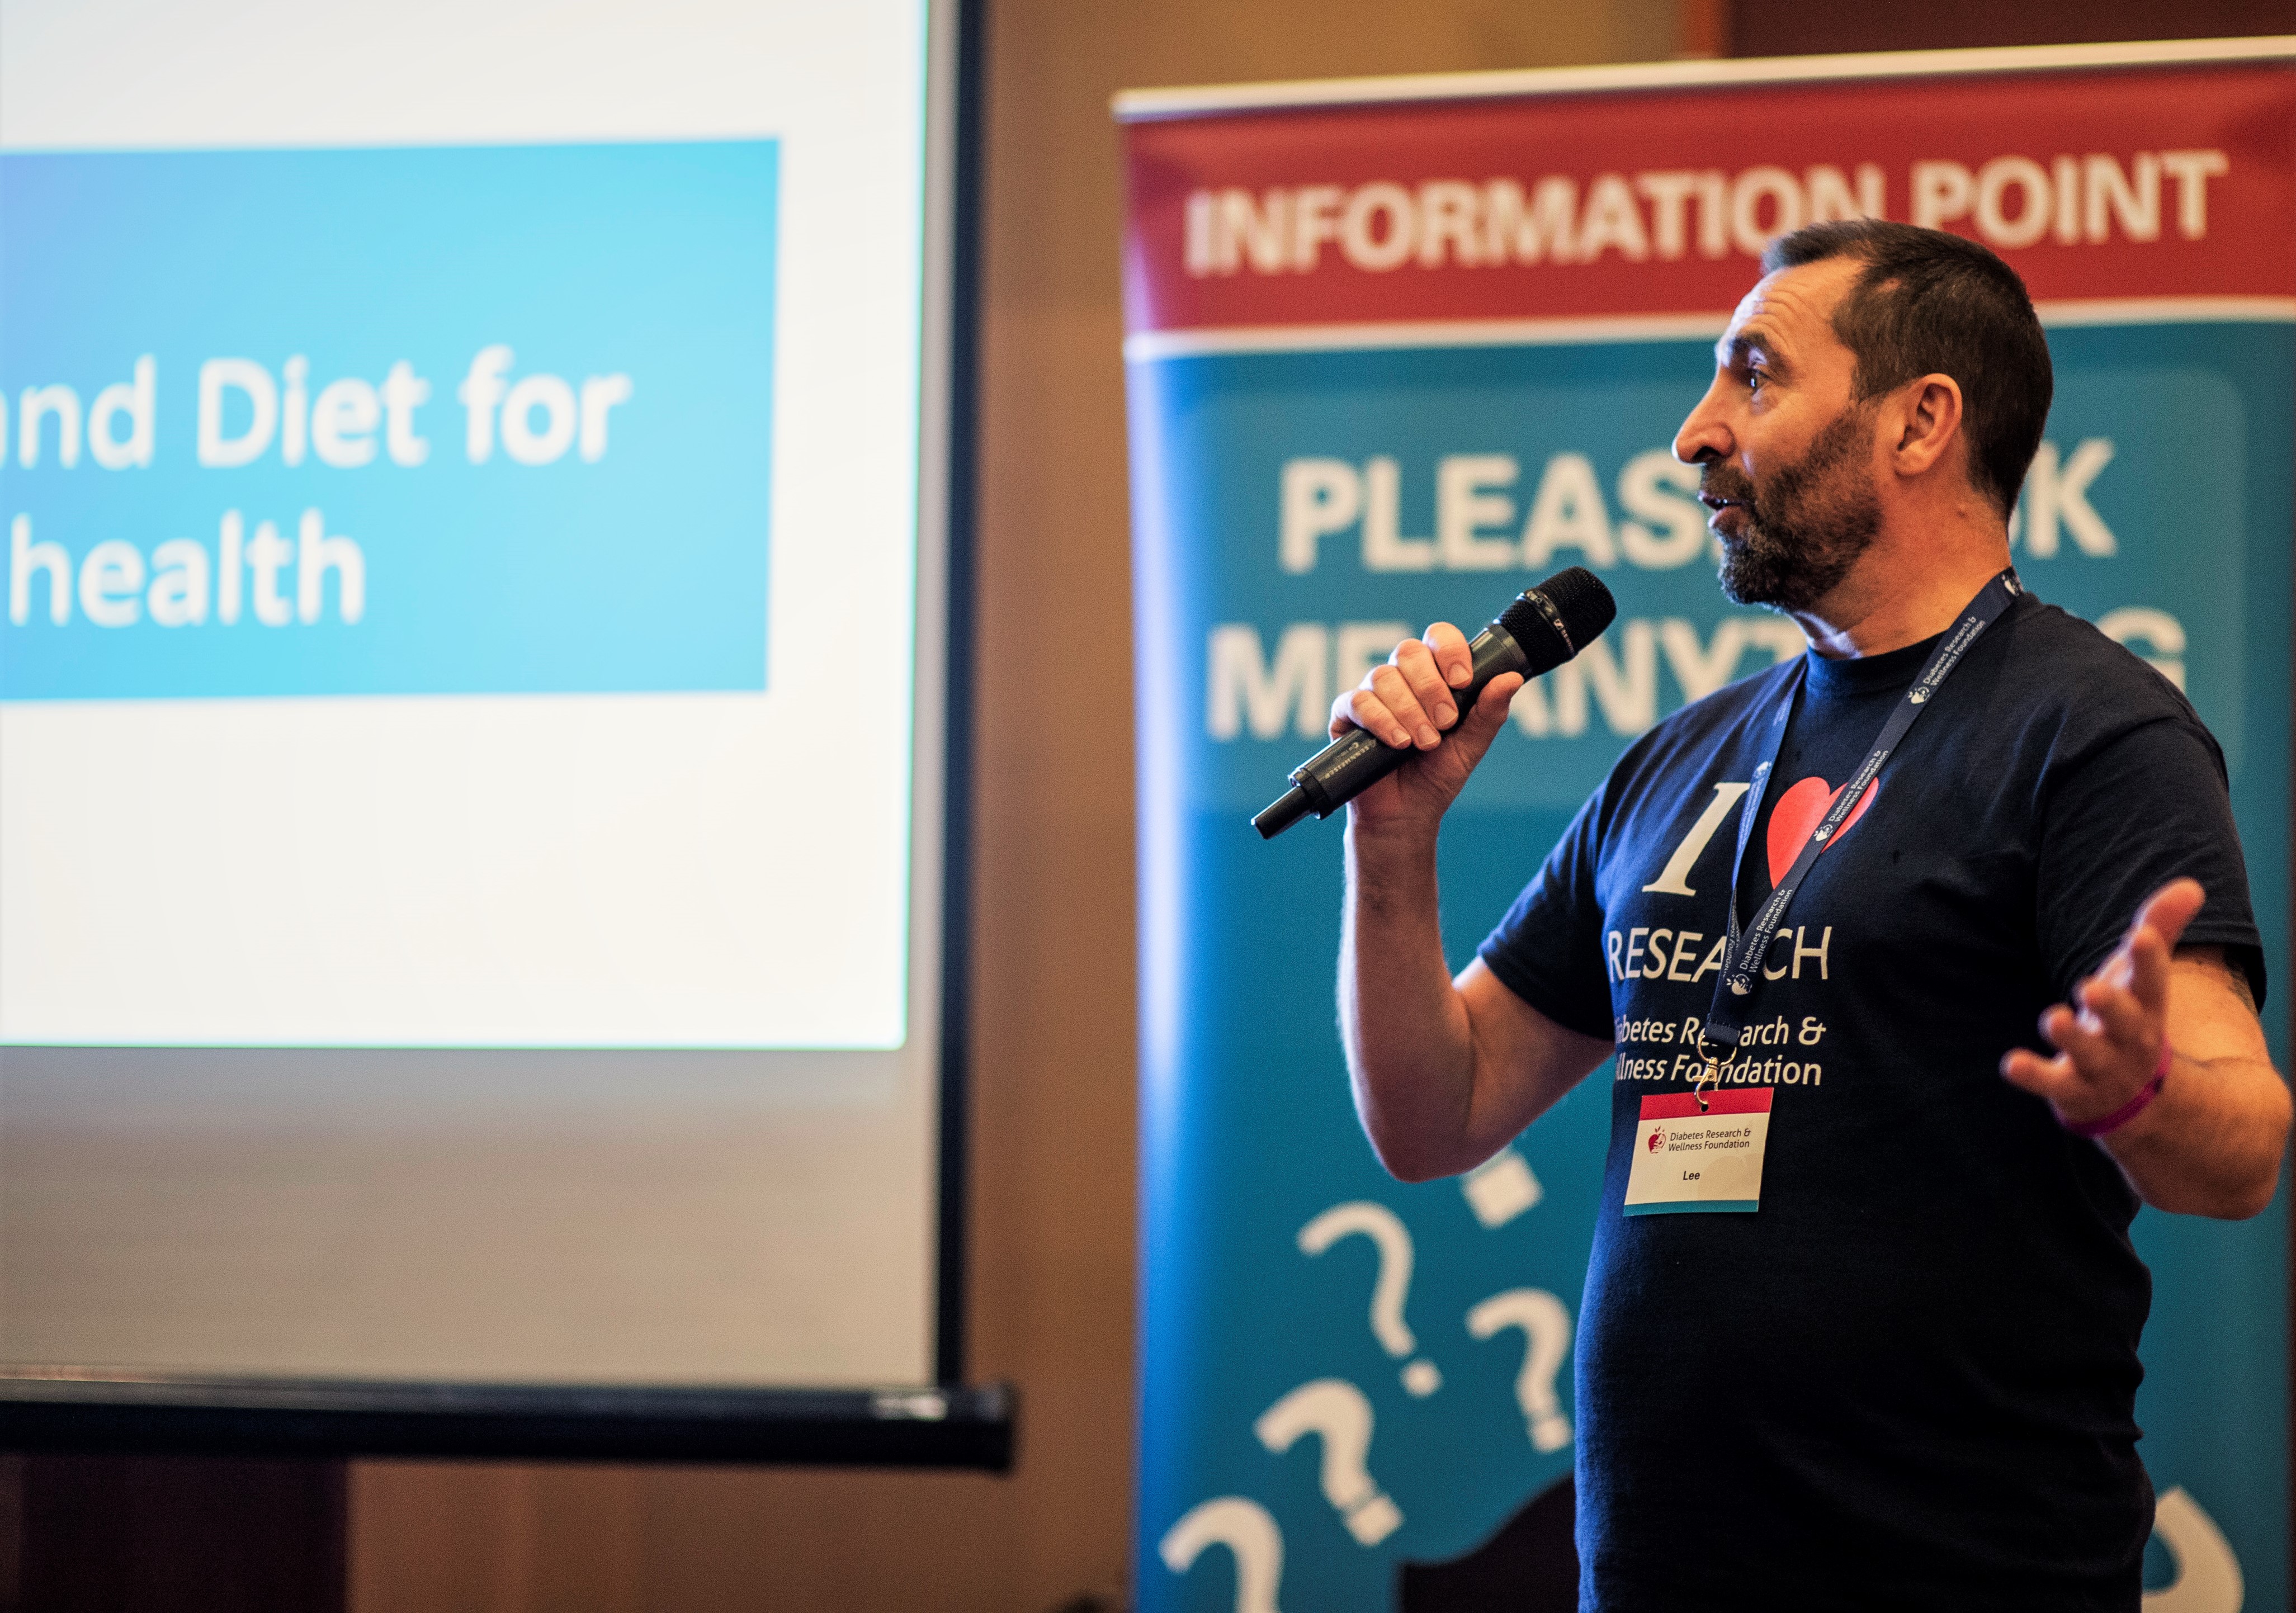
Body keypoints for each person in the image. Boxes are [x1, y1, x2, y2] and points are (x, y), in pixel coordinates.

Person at [1333, 219, 2290, 1611]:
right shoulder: (1681, 757)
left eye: (1754, 376)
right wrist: (1391, 844)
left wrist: (2140, 1086)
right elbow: (1436, 1116)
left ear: (1919, 423)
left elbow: (2242, 1147)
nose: (1695, 434)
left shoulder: (2092, 733)